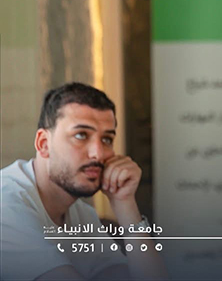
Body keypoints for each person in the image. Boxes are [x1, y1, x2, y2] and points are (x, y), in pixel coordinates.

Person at [1, 82, 168, 280]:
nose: (98, 154)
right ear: (44, 144)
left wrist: (125, 204)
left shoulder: (81, 214)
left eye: (106, 139)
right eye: (81, 135)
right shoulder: (6, 205)